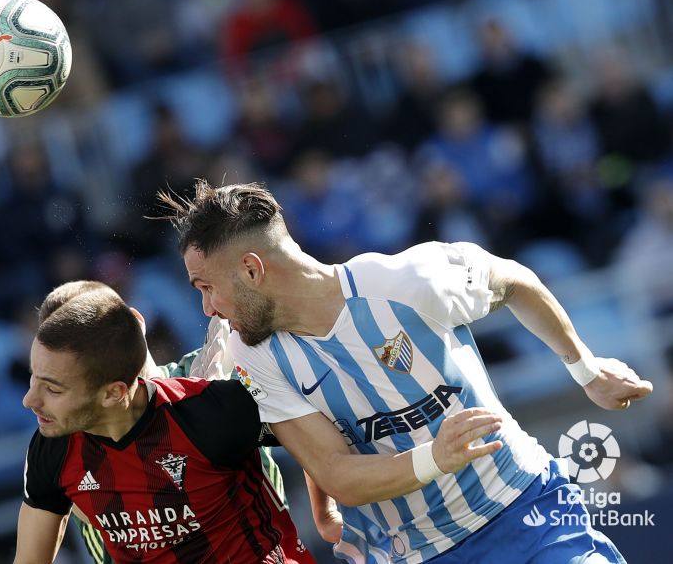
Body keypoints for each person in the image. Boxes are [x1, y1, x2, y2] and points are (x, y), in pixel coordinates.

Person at [159, 180, 652, 564]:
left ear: (251, 270)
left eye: (206, 287)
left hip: (522, 508)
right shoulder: (254, 358)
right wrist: (435, 457)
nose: (206, 309)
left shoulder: (407, 283)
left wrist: (586, 370)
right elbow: (338, 472)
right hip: (412, 552)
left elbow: (514, 281)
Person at [13, 280, 314, 564]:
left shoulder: (208, 403)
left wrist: (325, 511)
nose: (29, 400)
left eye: (53, 387)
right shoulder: (58, 443)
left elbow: (319, 422)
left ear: (134, 322)